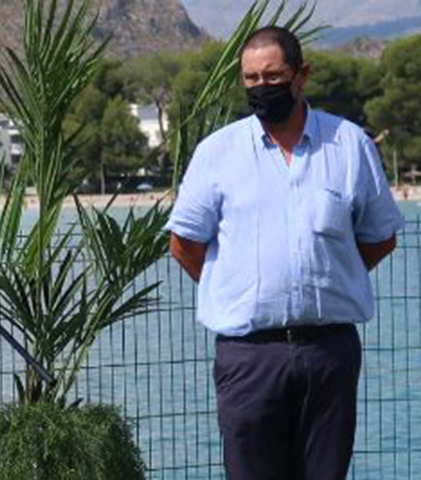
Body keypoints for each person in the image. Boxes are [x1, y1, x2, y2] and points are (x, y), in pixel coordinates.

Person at [166, 27, 404, 480]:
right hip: (248, 357)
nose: (262, 87)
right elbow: (184, 243)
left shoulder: (349, 145)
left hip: (329, 352)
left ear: (301, 75)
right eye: (251, 78)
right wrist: (240, 288)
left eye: (273, 76)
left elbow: (380, 237)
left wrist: (331, 275)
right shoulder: (217, 152)